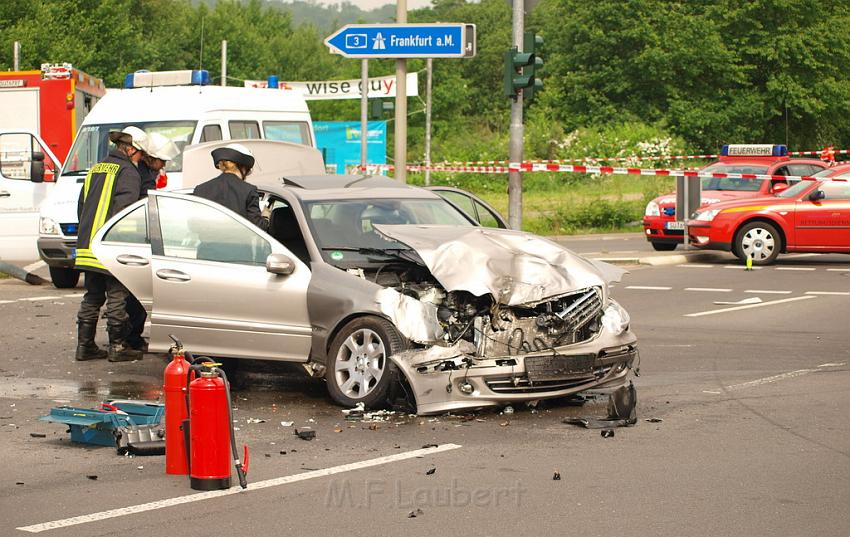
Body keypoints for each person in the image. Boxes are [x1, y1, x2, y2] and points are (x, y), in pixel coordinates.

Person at [74, 126, 147, 362]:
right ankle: (118, 347)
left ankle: (84, 347)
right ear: (131, 149)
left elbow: (81, 205)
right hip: (110, 246)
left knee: (93, 296)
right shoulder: (128, 172)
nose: (141, 159)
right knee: (117, 296)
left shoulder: (96, 168)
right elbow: (125, 214)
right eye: (141, 154)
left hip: (87, 244)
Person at [124, 132, 180, 353]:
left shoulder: (144, 171)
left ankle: (131, 335)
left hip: (138, 237)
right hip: (137, 239)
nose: (163, 164)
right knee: (136, 294)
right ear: (151, 156)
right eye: (162, 160)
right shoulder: (143, 175)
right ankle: (131, 337)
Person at [193, 143, 270, 230]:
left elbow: (193, 225)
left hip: (206, 243)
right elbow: (258, 228)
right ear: (243, 168)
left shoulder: (200, 189)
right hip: (238, 243)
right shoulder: (249, 190)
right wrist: (265, 217)